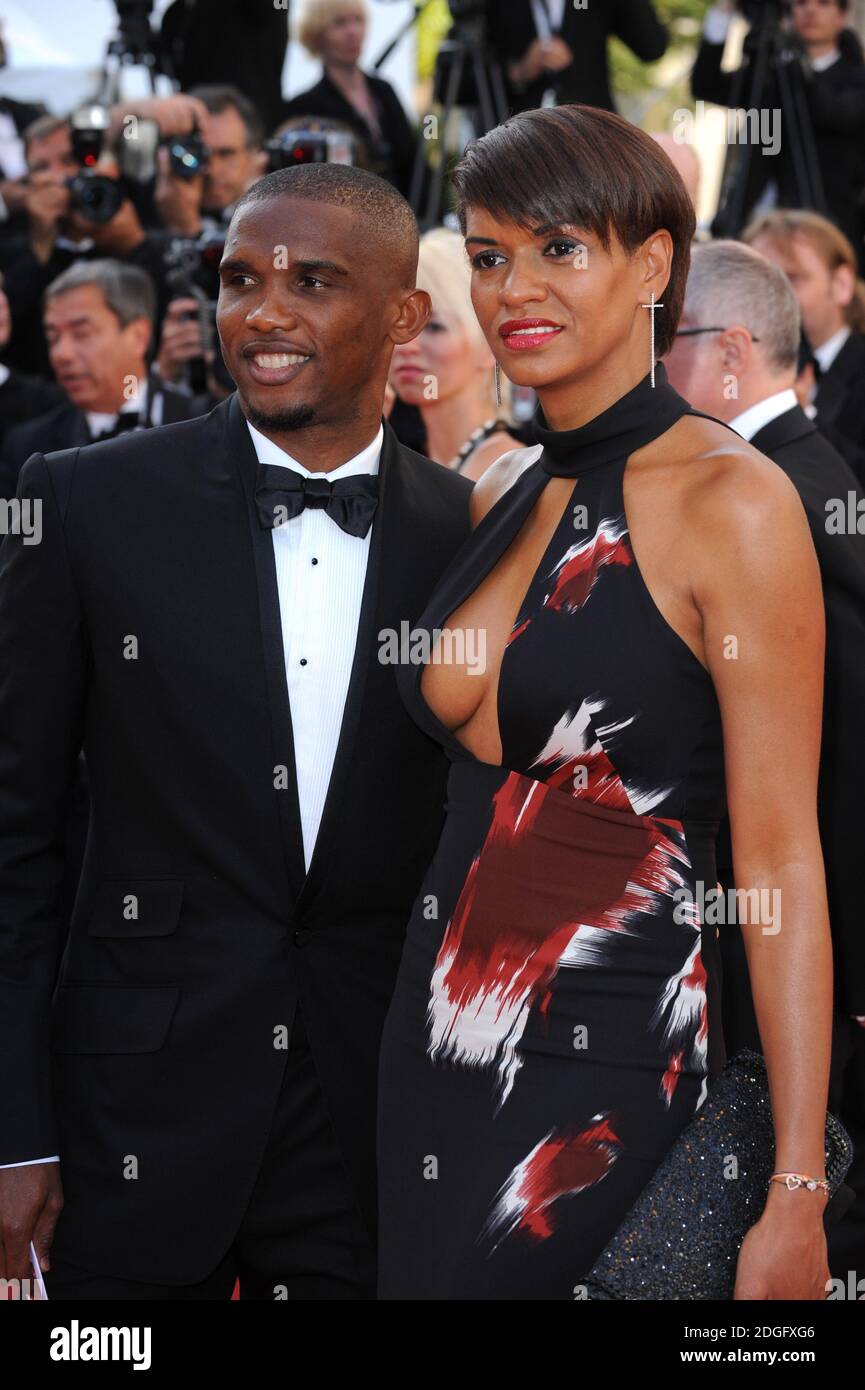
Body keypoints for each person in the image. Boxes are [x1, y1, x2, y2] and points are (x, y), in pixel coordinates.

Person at [376, 104, 834, 1300]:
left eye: (558, 248)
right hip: (432, 1059)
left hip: (607, 1085)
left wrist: (795, 1182)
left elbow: (781, 857)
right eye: (486, 255)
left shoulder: (734, 500)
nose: (513, 285)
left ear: (651, 266)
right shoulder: (501, 489)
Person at [0, 163, 470, 1301]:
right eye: (240, 278)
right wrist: (17, 1131)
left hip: (370, 1121)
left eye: (314, 281)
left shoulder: (473, 535)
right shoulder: (83, 501)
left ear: (404, 315)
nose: (264, 311)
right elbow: (14, 841)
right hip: (129, 1118)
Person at [664, 238, 865, 1275]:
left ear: (730, 355)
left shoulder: (779, 498)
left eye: (667, 338)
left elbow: (833, 781)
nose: (649, 365)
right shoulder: (794, 478)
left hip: (793, 993)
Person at [1, 260, 207, 501]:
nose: (61, 353)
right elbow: (21, 536)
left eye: (82, 333)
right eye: (53, 337)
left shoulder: (205, 425)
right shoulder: (27, 448)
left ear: (137, 336)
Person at [692, 0, 865, 265]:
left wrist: (792, 57)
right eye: (800, 2)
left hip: (829, 233)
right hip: (752, 231)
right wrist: (723, 12)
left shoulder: (854, 77)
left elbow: (832, 112)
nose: (810, 11)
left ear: (842, 16)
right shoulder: (771, 72)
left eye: (823, 3)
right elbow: (706, 86)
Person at [743, 208, 865, 485]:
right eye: (758, 281)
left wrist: (803, 414)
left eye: (792, 278)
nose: (770, 296)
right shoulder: (733, 364)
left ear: (841, 285)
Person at [389, 227, 522, 479]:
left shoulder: (511, 476)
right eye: (401, 324)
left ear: (490, 344)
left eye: (434, 327)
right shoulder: (404, 461)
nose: (407, 346)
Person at [281, 0, 417, 198]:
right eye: (339, 23)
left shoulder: (384, 91)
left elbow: (414, 162)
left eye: (358, 20)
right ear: (317, 34)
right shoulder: (304, 106)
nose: (352, 32)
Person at [485, 0, 668, 117]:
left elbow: (652, 47)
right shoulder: (494, 5)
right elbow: (463, 79)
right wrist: (518, 72)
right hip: (513, 138)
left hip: (590, 133)